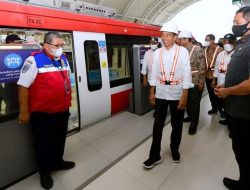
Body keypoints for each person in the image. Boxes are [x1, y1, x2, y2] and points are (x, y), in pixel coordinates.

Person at [17, 31, 75, 189]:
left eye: (62, 45)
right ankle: (44, 172)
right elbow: (23, 86)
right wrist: (24, 111)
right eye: (57, 45)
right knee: (43, 144)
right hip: (43, 114)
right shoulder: (34, 60)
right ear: (46, 45)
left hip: (62, 110)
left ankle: (58, 162)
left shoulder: (63, 58)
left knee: (59, 139)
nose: (60, 48)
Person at [143, 22, 192, 169]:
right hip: (162, 92)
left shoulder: (182, 52)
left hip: (177, 93)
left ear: (175, 37)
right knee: (157, 125)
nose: (164, 38)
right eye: (163, 35)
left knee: (176, 125)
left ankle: (174, 149)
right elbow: (155, 73)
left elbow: (186, 74)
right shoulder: (157, 53)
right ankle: (154, 156)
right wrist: (152, 91)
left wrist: (184, 96)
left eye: (168, 35)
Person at [214, 6, 250, 190]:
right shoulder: (243, 43)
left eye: (237, 22)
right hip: (238, 108)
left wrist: (228, 92)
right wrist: (226, 86)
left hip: (246, 112)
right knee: (241, 151)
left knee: (244, 152)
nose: (234, 26)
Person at [178, 31, 206, 135]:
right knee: (187, 101)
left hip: (194, 81)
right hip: (183, 81)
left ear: (186, 39)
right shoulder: (181, 50)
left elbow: (202, 67)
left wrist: (201, 82)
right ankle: (190, 116)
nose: (179, 41)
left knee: (194, 104)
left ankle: (194, 124)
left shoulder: (197, 49)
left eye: (181, 39)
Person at [212, 33, 236, 126]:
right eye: (225, 41)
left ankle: (231, 124)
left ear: (234, 42)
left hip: (232, 83)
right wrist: (214, 80)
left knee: (231, 103)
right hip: (220, 81)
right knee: (222, 101)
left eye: (230, 41)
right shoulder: (221, 54)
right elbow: (216, 67)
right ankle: (227, 118)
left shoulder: (237, 53)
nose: (227, 43)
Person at [203, 34, 223, 115]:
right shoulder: (205, 50)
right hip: (207, 75)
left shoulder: (220, 50)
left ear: (212, 40)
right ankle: (214, 108)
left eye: (206, 40)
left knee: (218, 93)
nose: (205, 41)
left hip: (217, 75)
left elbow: (222, 64)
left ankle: (221, 110)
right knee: (211, 93)